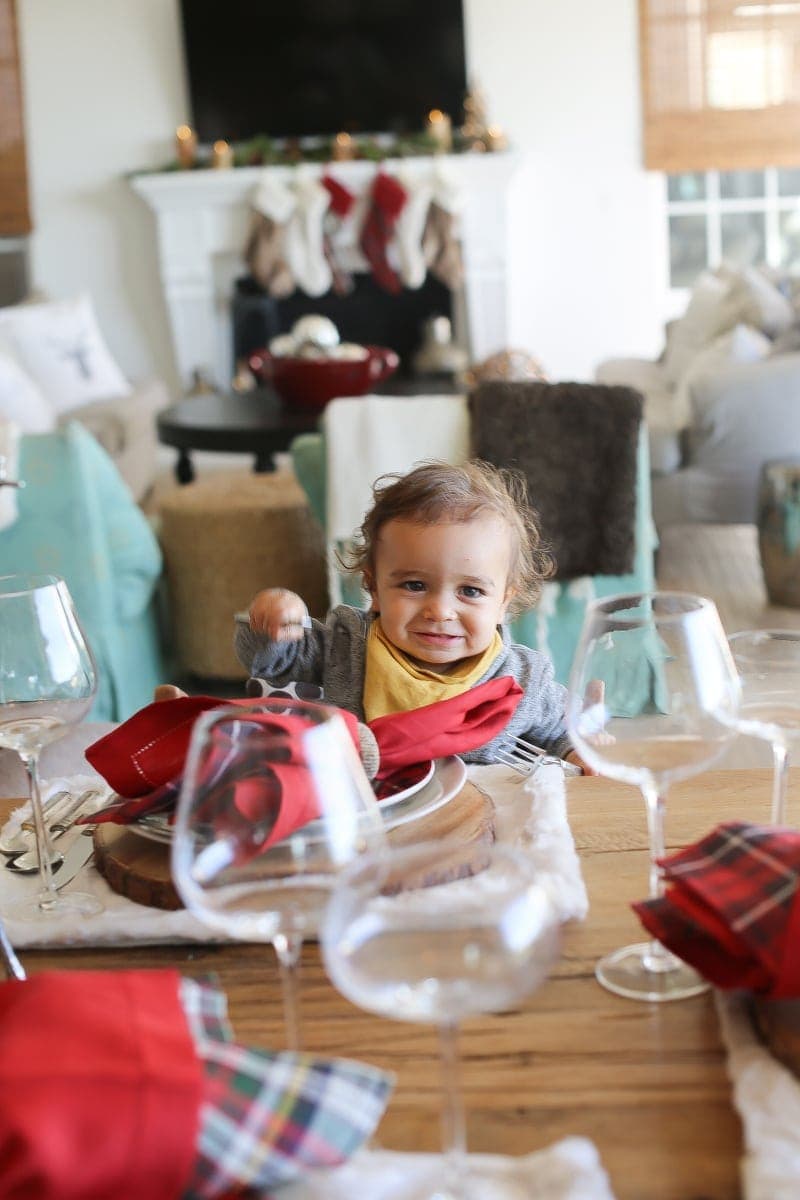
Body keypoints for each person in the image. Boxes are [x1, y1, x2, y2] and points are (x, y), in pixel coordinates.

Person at [234, 459, 592, 774]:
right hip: (375, 817)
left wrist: (581, 751)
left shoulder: (522, 679)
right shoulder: (348, 646)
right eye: (415, 585)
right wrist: (273, 623)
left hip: (480, 822)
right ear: (374, 589)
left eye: (470, 591)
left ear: (503, 602)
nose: (439, 611)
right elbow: (273, 661)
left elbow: (565, 728)